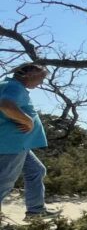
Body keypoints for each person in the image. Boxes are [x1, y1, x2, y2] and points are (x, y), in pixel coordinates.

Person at [0, 63, 59, 221]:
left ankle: (35, 211)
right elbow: (6, 106)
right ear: (29, 74)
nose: (41, 82)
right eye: (40, 77)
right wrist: (28, 121)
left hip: (17, 143)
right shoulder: (15, 87)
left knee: (36, 171)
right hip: (12, 144)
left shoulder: (7, 85)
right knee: (4, 181)